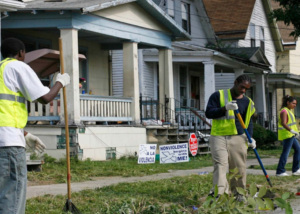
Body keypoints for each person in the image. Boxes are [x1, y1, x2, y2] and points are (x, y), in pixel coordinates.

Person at [0, 38, 70, 214]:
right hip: (9, 145)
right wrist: (60, 82)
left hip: (8, 137)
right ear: (21, 53)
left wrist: (25, 134)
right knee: (12, 198)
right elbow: (45, 98)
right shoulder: (17, 66)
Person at [205, 74, 256, 199]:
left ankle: (239, 193)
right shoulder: (218, 95)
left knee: (238, 166)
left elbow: (248, 122)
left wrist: (250, 138)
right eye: (241, 87)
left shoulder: (248, 102)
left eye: (246, 89)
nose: (243, 90)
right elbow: (209, 113)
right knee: (220, 165)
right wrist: (224, 108)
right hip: (218, 136)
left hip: (238, 137)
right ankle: (219, 194)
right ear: (235, 82)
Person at [276, 95, 300, 176]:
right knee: (286, 153)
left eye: (296, 104)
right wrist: (292, 130)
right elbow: (283, 123)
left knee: (298, 150)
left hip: (291, 135)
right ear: (288, 102)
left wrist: (295, 132)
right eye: (293, 103)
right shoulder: (284, 111)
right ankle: (280, 171)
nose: (295, 105)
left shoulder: (289, 110)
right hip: (287, 135)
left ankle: (296, 169)